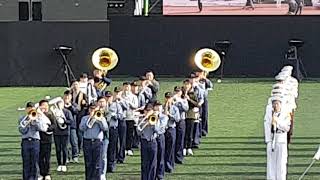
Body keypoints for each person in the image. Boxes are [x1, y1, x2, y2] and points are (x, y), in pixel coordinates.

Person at [18, 102, 48, 180]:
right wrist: (28, 123)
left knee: (35, 162)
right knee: (26, 162)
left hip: (35, 142)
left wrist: (36, 121)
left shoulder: (37, 117)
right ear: (26, 109)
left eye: (32, 108)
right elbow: (22, 130)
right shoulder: (22, 118)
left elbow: (43, 129)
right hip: (25, 141)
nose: (30, 110)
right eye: (29, 108)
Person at [264, 96, 291, 180]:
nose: (275, 106)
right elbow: (267, 126)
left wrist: (277, 122)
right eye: (274, 104)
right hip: (272, 140)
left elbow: (286, 127)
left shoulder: (286, 114)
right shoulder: (269, 114)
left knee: (281, 164)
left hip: (281, 139)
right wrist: (268, 140)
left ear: (280, 104)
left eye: (277, 103)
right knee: (271, 164)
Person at [80, 104, 108, 180]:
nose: (93, 110)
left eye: (94, 109)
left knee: (97, 163)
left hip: (97, 142)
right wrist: (90, 119)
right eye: (91, 109)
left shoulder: (101, 118)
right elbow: (82, 128)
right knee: (88, 163)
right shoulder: (84, 118)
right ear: (89, 110)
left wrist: (99, 121)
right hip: (87, 142)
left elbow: (105, 128)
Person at [107, 87, 128, 172]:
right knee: (109, 144)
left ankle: (117, 160)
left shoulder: (119, 103)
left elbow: (124, 111)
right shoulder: (106, 104)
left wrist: (114, 115)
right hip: (108, 126)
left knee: (118, 142)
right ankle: (109, 161)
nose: (117, 94)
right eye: (116, 92)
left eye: (119, 92)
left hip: (117, 123)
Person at [137, 105, 159, 180]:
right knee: (144, 163)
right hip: (144, 142)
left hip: (152, 141)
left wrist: (153, 125)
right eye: (147, 110)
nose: (148, 112)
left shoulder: (155, 119)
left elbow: (158, 131)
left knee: (153, 163)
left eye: (150, 110)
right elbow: (138, 132)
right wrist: (144, 121)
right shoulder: (141, 120)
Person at [38, 100, 57, 180]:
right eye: (43, 105)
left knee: (47, 157)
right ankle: (41, 173)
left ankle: (47, 173)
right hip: (39, 138)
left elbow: (54, 125)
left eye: (46, 105)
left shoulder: (50, 114)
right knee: (40, 157)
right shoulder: (38, 115)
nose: (45, 107)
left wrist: (48, 129)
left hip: (48, 138)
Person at [53, 100, 73, 172]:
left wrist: (64, 121)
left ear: (63, 105)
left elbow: (71, 121)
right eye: (58, 105)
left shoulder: (67, 112)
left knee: (64, 149)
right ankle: (59, 164)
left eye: (61, 105)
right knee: (58, 149)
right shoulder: (54, 112)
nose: (59, 106)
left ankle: (64, 164)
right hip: (56, 133)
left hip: (65, 133)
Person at [163, 92, 180, 173]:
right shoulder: (161, 107)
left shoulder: (175, 108)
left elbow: (177, 119)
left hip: (171, 128)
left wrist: (169, 114)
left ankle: (169, 165)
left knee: (171, 148)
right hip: (163, 130)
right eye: (167, 98)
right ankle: (164, 165)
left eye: (169, 98)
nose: (168, 99)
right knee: (164, 148)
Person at [183, 79, 200, 156]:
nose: (186, 86)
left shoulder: (193, 94)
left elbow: (197, 104)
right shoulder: (181, 93)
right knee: (183, 132)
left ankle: (189, 147)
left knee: (189, 132)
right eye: (185, 84)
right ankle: (183, 147)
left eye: (188, 84)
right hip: (183, 116)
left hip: (190, 115)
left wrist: (189, 99)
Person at [173, 86, 189, 164]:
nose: (177, 93)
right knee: (173, 140)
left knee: (180, 139)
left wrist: (179, 101)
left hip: (181, 120)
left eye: (178, 91)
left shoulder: (183, 100)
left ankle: (179, 156)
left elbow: (186, 108)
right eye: (176, 91)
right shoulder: (172, 100)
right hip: (173, 121)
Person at [122, 82, 139, 156]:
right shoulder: (121, 96)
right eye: (125, 87)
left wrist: (129, 102)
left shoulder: (133, 97)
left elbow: (136, 106)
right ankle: (123, 148)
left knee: (130, 134)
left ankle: (129, 148)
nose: (126, 88)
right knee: (123, 134)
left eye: (128, 87)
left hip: (130, 117)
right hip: (123, 117)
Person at [63, 90, 79, 163]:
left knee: (74, 141)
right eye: (66, 96)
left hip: (72, 126)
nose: (67, 97)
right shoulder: (61, 104)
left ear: (71, 97)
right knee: (66, 143)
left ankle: (75, 156)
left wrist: (70, 106)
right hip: (63, 126)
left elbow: (76, 111)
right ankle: (66, 157)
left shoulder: (74, 104)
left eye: (68, 96)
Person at [96, 96, 110, 180]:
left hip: (105, 137)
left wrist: (101, 116)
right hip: (96, 137)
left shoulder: (108, 112)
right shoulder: (94, 111)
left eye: (103, 102)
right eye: (100, 102)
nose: (101, 103)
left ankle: (102, 173)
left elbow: (107, 124)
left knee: (103, 155)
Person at [154, 101, 168, 180]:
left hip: (160, 136)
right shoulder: (152, 116)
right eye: (156, 106)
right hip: (153, 137)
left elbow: (160, 128)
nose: (158, 108)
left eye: (159, 106)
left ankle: (160, 174)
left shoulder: (164, 117)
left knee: (161, 155)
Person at [196, 71, 213, 136]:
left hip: (204, 99)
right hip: (197, 99)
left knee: (205, 115)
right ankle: (198, 131)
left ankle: (204, 130)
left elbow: (210, 85)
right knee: (198, 115)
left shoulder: (205, 80)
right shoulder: (195, 80)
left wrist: (205, 78)